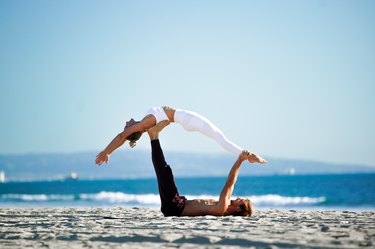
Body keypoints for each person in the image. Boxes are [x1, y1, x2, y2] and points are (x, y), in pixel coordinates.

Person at [145, 120, 254, 217]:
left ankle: (154, 136)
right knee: (164, 172)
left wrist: (240, 160)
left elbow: (230, 183)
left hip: (175, 207)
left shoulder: (223, 207)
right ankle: (153, 136)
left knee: (164, 173)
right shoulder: (223, 206)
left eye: (241, 201)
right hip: (178, 204)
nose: (238, 197)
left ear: (239, 208)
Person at [95, 106, 267, 165]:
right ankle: (248, 156)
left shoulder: (144, 121)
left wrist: (108, 152)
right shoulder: (143, 124)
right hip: (187, 119)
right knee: (219, 137)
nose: (127, 122)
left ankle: (247, 156)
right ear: (133, 130)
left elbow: (122, 135)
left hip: (185, 120)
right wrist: (107, 151)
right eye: (127, 126)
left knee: (218, 136)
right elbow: (121, 136)